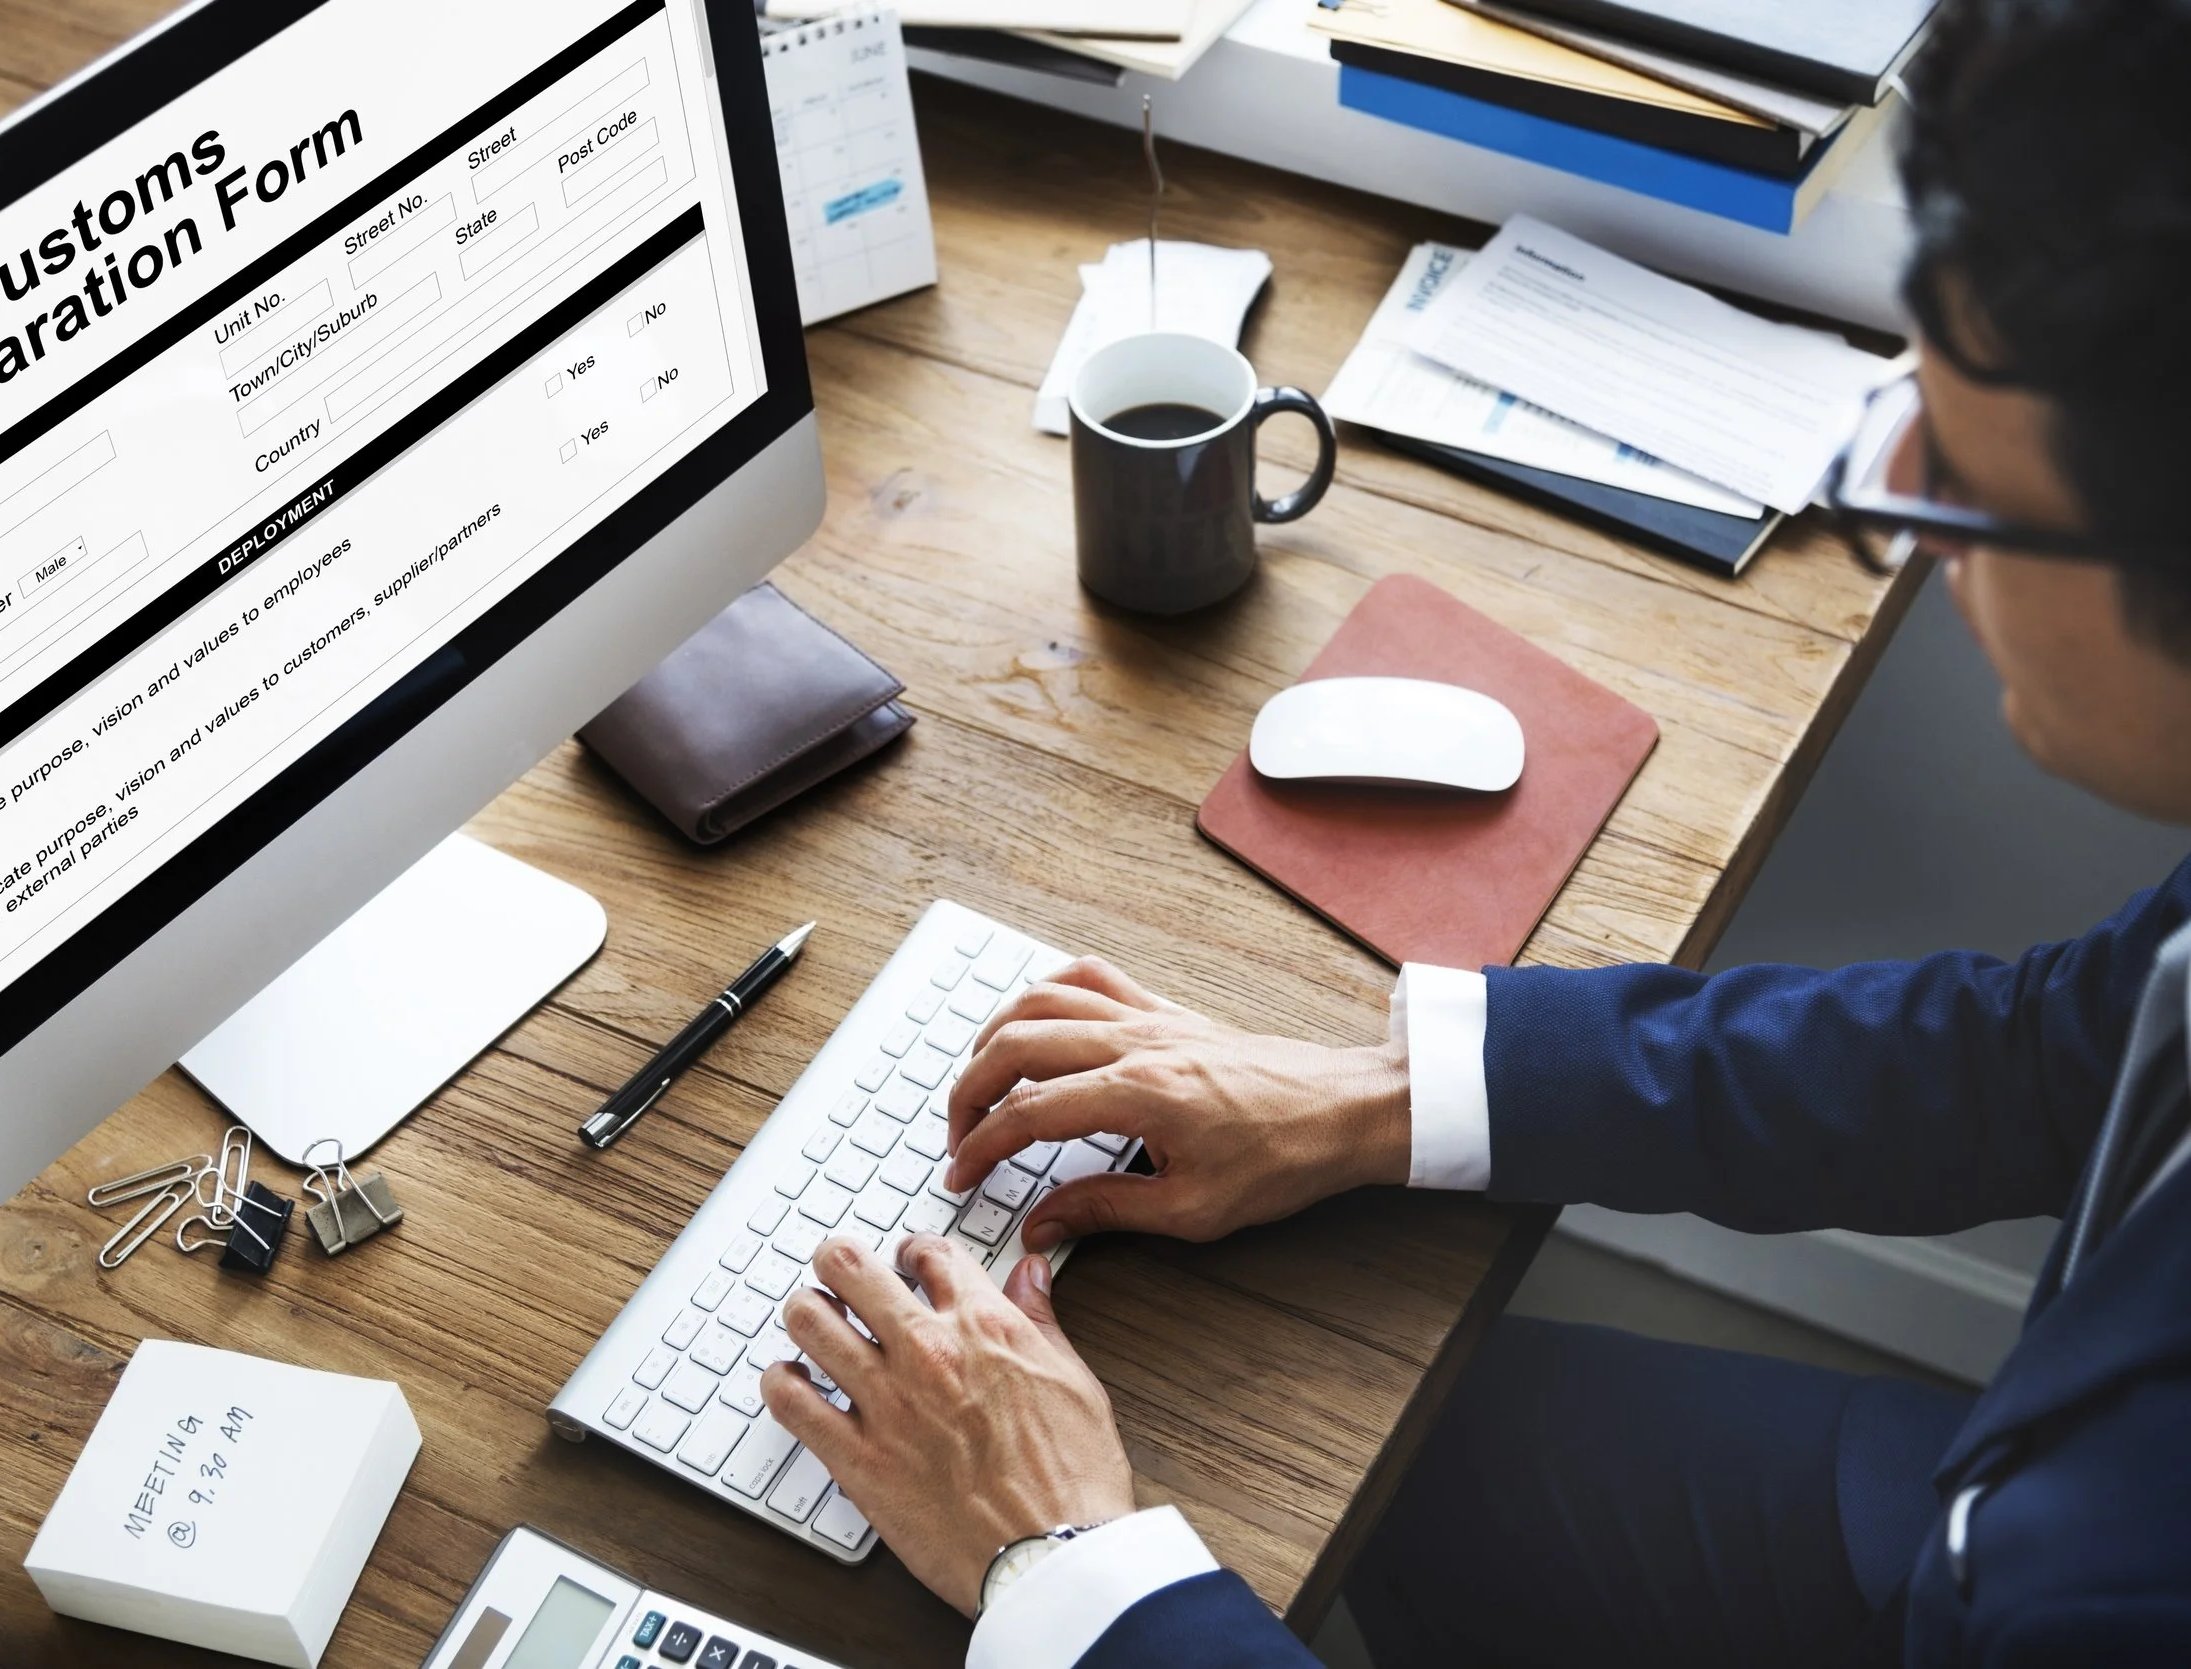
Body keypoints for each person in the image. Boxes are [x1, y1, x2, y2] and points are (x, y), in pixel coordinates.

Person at [754, 1, 2191, 1663]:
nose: (1915, 543)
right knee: (1420, 1459)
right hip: (1989, 1499)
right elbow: (2040, 1057)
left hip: (2004, 1573)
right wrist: (1383, 1095)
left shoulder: (2113, 1593)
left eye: (1959, 491)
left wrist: (1065, 1561)